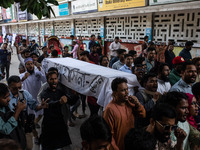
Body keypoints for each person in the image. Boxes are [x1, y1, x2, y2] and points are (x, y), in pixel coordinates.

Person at [103, 77, 146, 150]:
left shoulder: (130, 103)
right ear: (115, 93)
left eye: (127, 89)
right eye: (123, 90)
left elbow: (143, 115)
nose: (127, 92)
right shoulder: (110, 110)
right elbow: (109, 136)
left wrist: (137, 104)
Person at [7, 75, 48, 149]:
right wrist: (18, 109)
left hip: (24, 127)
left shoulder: (24, 93)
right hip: (11, 129)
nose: (17, 90)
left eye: (19, 87)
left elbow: (34, 106)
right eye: (14, 88)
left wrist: (41, 106)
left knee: (28, 146)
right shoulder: (5, 98)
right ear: (9, 87)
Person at [40, 71, 72, 150]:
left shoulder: (60, 92)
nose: (54, 81)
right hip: (49, 125)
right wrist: (59, 102)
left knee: (59, 146)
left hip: (59, 124)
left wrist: (76, 94)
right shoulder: (44, 93)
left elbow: (70, 100)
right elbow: (49, 104)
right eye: (51, 79)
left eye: (55, 79)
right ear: (47, 80)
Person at [0, 83, 26, 149]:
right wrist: (17, 112)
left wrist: (17, 111)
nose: (9, 99)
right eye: (5, 97)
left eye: (8, 96)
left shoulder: (4, 106)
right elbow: (5, 130)